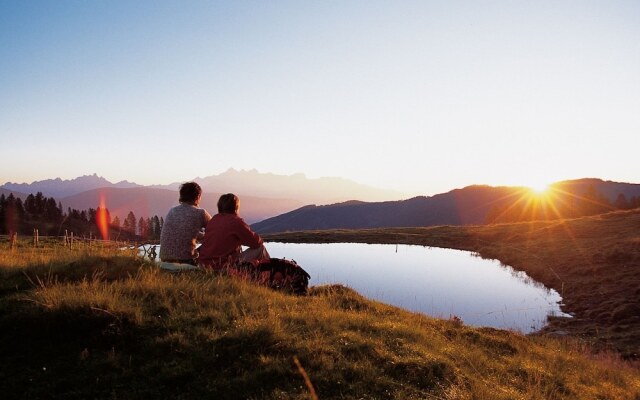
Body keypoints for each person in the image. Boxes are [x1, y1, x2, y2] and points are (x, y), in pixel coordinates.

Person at [198, 193, 270, 270]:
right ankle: (270, 273)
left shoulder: (214, 220)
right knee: (260, 248)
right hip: (222, 266)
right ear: (236, 207)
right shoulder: (235, 221)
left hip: (203, 265)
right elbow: (256, 243)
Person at [159, 182, 211, 265]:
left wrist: (199, 235)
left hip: (164, 260)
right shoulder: (200, 213)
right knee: (215, 242)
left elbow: (183, 231)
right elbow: (217, 230)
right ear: (198, 196)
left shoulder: (172, 211)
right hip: (186, 261)